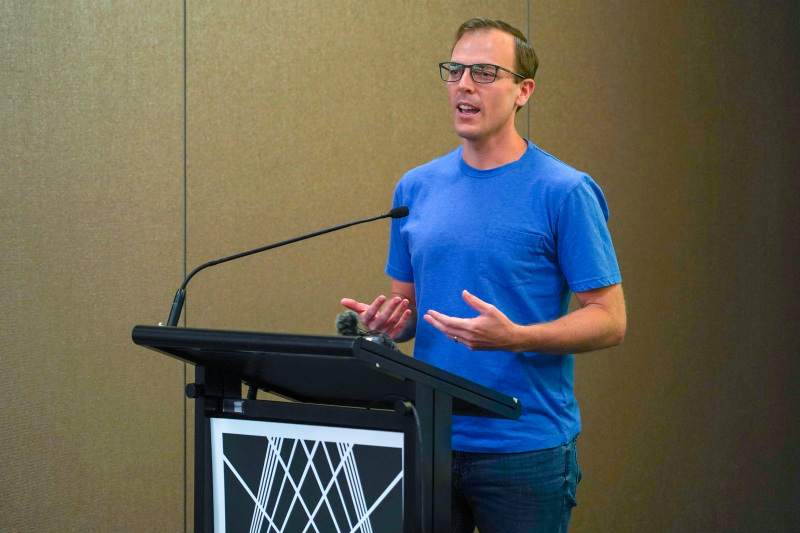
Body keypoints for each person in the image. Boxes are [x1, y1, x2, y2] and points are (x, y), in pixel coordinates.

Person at [341, 18, 626, 533]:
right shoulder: (415, 187)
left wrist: (518, 337)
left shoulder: (564, 191)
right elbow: (409, 314)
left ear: (524, 91)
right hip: (429, 438)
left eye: (486, 72)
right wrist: (388, 323)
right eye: (456, 70)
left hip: (525, 448)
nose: (465, 84)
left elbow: (609, 319)